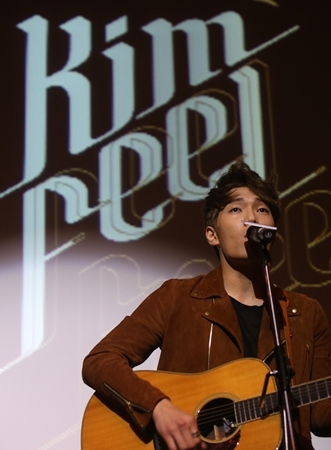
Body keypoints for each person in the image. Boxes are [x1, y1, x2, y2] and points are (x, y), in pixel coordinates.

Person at [82, 161, 331, 450]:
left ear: (272, 230)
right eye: (236, 209)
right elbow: (100, 361)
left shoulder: (305, 312)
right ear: (212, 234)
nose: (252, 216)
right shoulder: (179, 297)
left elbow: (320, 415)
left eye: (262, 209)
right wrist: (157, 407)